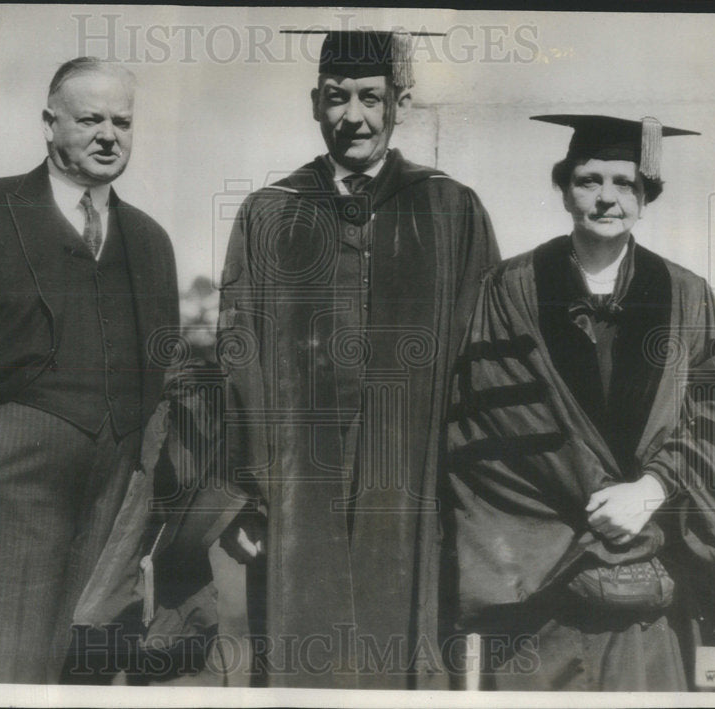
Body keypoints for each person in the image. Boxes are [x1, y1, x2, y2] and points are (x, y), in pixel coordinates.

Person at [444, 115, 715, 690]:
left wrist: (651, 489)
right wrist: (600, 507)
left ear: (645, 196)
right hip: (546, 584)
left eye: (624, 183)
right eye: (588, 180)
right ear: (564, 188)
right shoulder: (509, 288)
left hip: (662, 589)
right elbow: (489, 425)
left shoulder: (685, 293)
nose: (606, 198)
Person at [214, 30, 499, 688]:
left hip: (412, 475)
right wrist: (256, 488)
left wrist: (465, 486)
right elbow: (239, 351)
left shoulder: (450, 208)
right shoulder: (270, 213)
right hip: (298, 478)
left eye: (371, 98)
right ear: (316, 103)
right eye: (338, 98)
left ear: (398, 104)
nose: (354, 117)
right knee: (303, 645)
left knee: (401, 646)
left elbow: (483, 354)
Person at [0, 57, 179, 683]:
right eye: (90, 118)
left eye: (122, 121)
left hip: (114, 493)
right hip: (7, 480)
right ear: (49, 124)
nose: (108, 134)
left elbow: (163, 365)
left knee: (88, 677)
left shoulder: (150, 241)